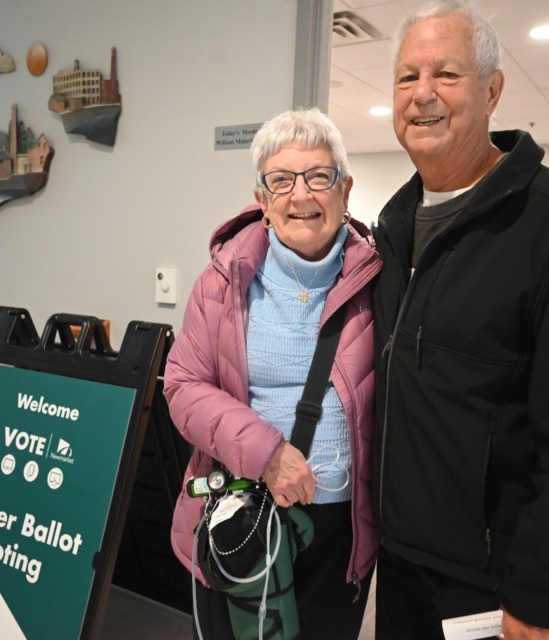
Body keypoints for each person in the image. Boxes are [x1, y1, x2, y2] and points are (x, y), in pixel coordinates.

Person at [371, 2, 549, 640]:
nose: (423, 94)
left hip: (494, 586)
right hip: (400, 563)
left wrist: (544, 594)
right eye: (407, 77)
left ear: (492, 90)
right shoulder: (393, 224)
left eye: (447, 74)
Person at [164, 108, 382, 639]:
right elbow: (183, 387)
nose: (300, 196)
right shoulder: (221, 282)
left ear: (345, 189)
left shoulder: (381, 281)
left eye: (317, 176)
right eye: (281, 180)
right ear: (262, 201)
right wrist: (268, 454)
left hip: (341, 526)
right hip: (243, 510)